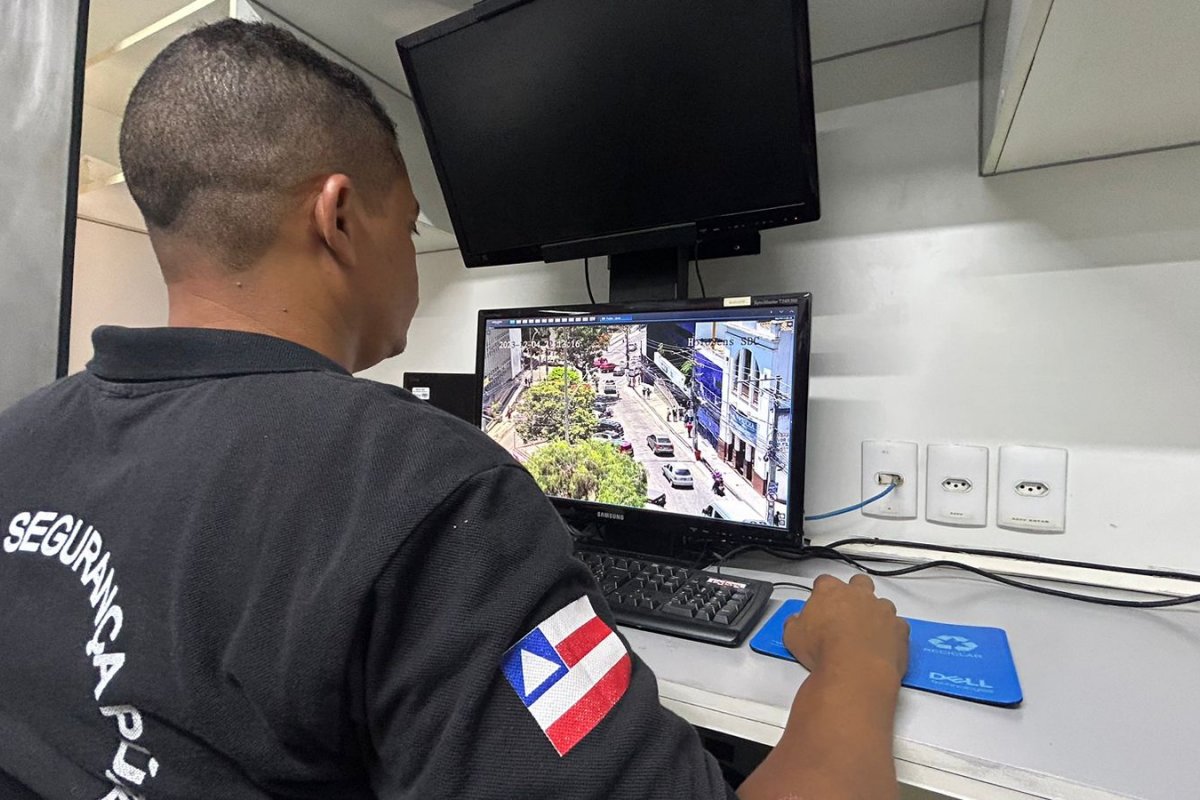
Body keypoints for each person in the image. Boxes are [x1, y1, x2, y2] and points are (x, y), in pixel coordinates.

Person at [0, 20, 907, 800]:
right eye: (410, 224)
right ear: (340, 216)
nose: (415, 253)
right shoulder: (422, 487)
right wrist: (856, 665)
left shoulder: (20, 438)